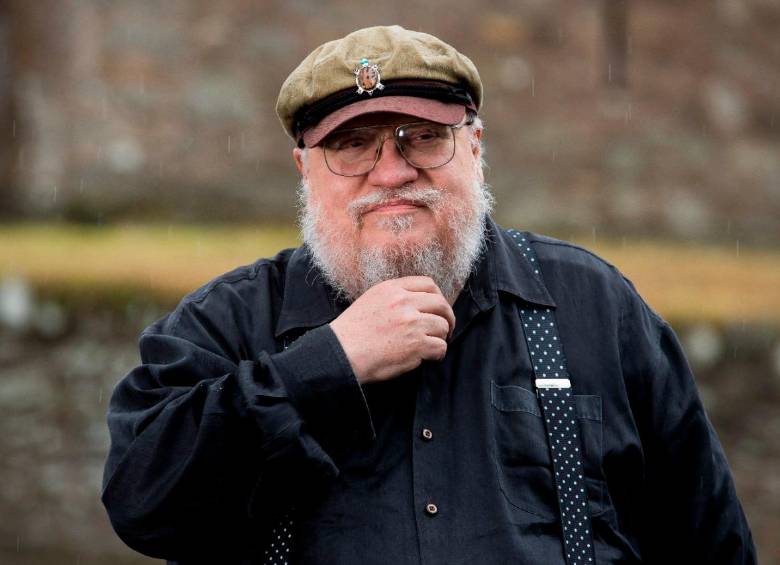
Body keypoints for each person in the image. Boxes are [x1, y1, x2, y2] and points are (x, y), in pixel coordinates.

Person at [101, 25, 756, 564]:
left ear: (474, 145)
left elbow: (710, 542)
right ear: (304, 168)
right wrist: (327, 366)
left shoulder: (597, 306)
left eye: (422, 137)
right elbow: (143, 504)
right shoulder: (228, 321)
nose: (391, 172)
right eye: (352, 145)